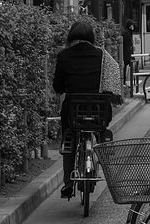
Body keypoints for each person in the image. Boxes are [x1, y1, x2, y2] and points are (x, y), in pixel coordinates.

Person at [53, 21, 122, 199]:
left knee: (69, 138)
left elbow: (58, 86)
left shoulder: (64, 56)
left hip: (73, 112)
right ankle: (111, 174)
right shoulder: (102, 55)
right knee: (102, 133)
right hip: (99, 110)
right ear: (91, 37)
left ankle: (68, 183)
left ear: (71, 37)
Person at [121, 19, 135, 87]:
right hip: (126, 54)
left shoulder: (127, 32)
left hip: (127, 53)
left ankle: (124, 82)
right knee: (125, 68)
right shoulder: (126, 33)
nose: (133, 26)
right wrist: (130, 55)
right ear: (129, 25)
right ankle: (123, 82)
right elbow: (127, 45)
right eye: (132, 25)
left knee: (126, 68)